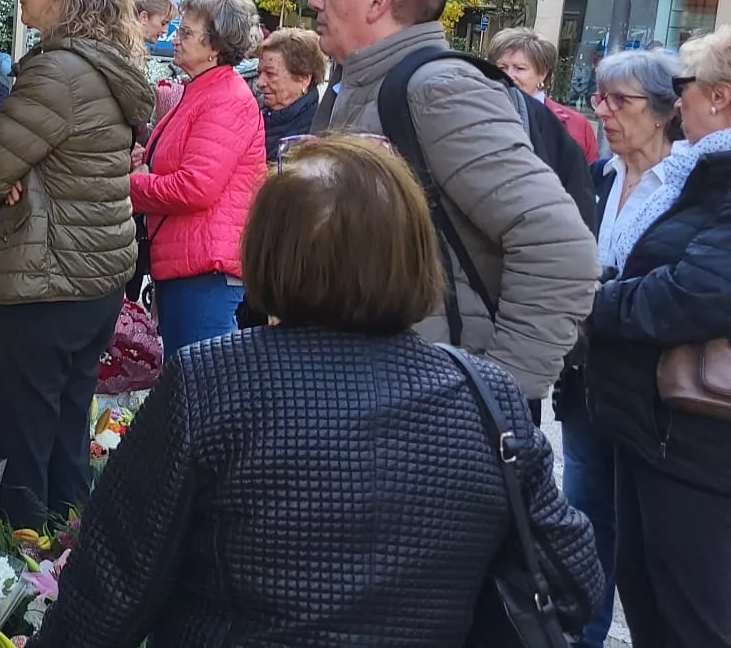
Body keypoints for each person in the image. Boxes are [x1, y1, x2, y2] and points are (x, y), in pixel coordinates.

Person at [35, 136, 601, 646]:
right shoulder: (485, 394)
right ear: (414, 255)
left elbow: (111, 589)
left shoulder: (213, 380)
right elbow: (574, 581)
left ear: (266, 251)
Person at [311, 0, 597, 404]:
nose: (315, 0)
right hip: (375, 387)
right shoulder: (358, 85)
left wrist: (496, 394)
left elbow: (559, 245)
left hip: (427, 402)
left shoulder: (439, 89)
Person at [0, 0, 156, 531]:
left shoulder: (58, 74)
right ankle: (70, 561)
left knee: (21, 442)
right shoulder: (103, 64)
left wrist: (8, 177)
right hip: (92, 277)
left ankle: (23, 581)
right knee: (67, 434)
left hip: (46, 278)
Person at [584, 27, 731, 644]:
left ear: (718, 95)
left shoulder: (711, 172)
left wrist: (594, 304)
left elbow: (699, 290)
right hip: (656, 427)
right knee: (650, 598)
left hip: (694, 437)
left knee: (689, 613)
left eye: (682, 87)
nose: (677, 101)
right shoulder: (700, 170)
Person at [556, 47, 683, 648]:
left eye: (619, 101)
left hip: (657, 393)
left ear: (661, 112)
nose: (601, 111)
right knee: (585, 518)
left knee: (648, 534)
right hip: (588, 378)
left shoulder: (687, 186)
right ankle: (586, 634)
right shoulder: (595, 177)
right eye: (599, 97)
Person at [131, 0, 267, 351]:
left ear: (215, 47)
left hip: (206, 269)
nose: (175, 38)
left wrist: (130, 185)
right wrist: (146, 158)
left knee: (198, 391)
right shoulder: (204, 89)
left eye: (186, 33)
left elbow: (196, 187)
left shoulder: (226, 98)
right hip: (188, 262)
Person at [493, 26, 601, 164]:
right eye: (501, 67)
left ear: (542, 74)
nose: (508, 75)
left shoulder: (576, 125)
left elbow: (589, 181)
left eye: (520, 68)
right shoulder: (477, 114)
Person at [255, 27, 324, 163]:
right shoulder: (256, 116)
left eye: (270, 74)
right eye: (259, 73)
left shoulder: (314, 132)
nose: (260, 83)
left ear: (304, 79)